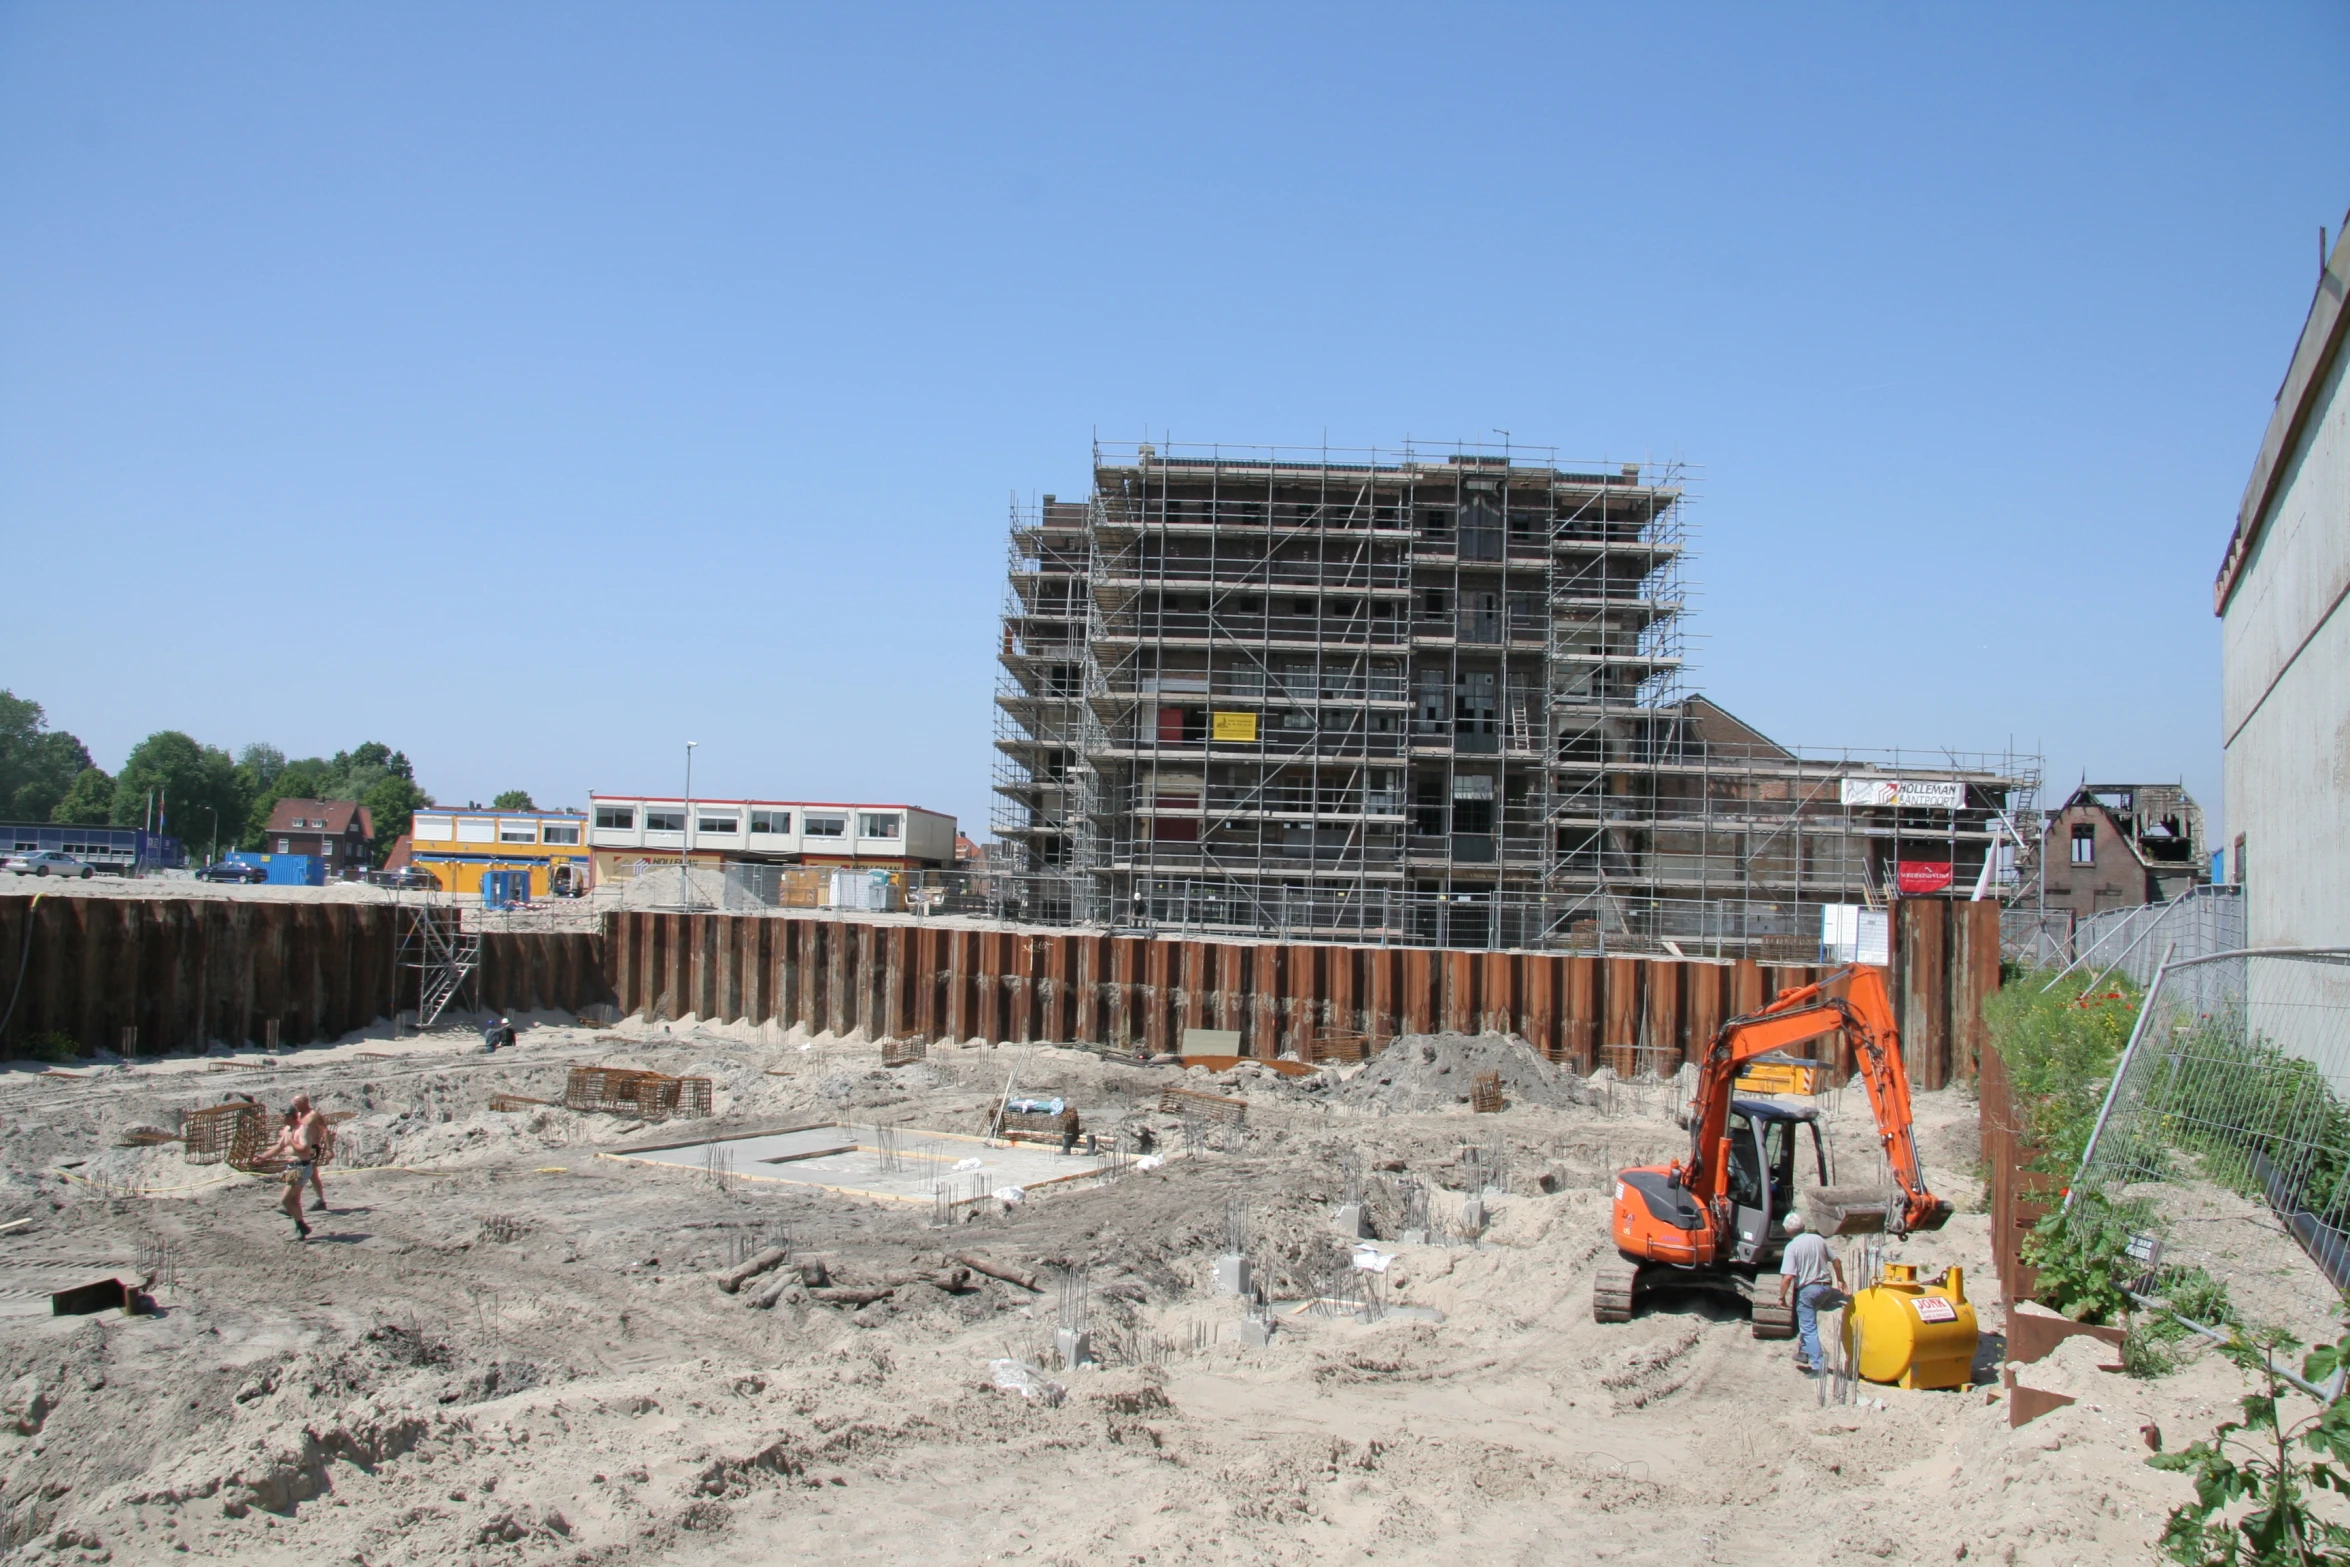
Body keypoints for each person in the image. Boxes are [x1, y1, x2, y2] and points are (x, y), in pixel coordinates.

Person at [1777, 1211, 1845, 1374]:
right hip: (1826, 1286)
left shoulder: (1791, 1247)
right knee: (1807, 1320)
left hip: (1808, 1289)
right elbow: (1836, 1260)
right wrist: (1841, 1280)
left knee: (1809, 1327)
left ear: (1787, 1230)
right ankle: (1804, 1352)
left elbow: (1788, 1277)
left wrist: (1781, 1297)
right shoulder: (1818, 1239)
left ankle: (1817, 1366)